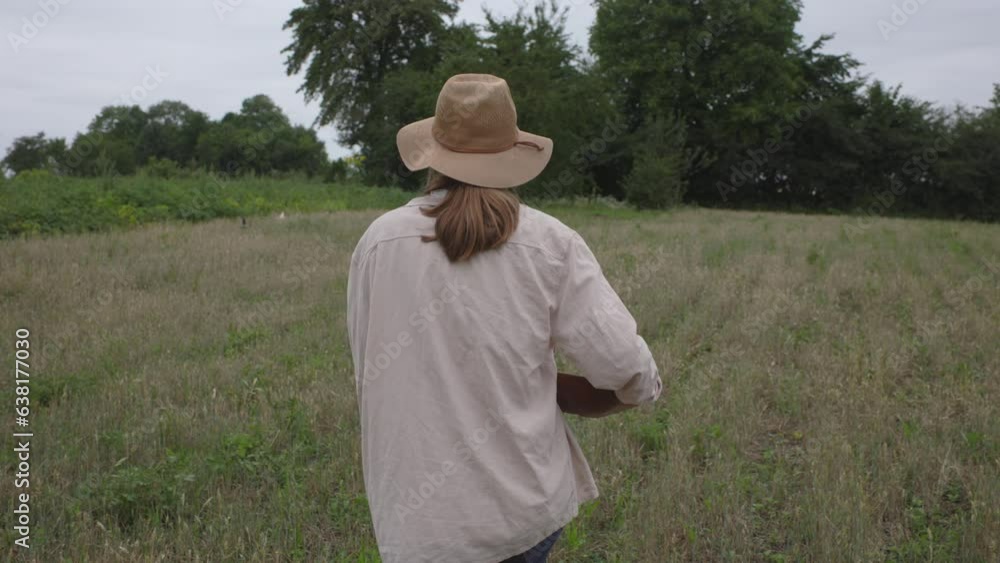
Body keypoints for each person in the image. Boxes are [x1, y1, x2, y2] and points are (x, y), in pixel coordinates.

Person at [346, 73, 662, 563]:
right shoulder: (550, 243)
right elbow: (629, 370)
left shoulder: (377, 242)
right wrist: (564, 392)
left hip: (415, 528)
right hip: (519, 518)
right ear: (511, 155)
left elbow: (372, 366)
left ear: (434, 151)